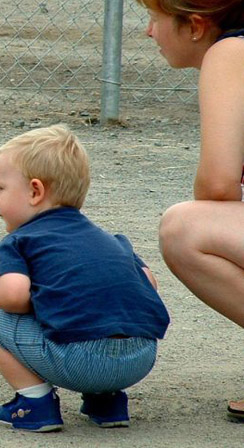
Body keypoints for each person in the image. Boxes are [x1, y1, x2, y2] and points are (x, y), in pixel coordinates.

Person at [0, 124, 170, 432]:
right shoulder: (109, 239)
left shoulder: (20, 241)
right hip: (140, 358)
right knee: (103, 310)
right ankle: (107, 402)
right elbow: (148, 283)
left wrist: (51, 300)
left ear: (35, 191)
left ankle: (34, 403)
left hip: (80, 362)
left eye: (0, 189)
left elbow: (11, 297)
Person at [134, 0, 244, 420]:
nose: (149, 33)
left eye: (155, 20)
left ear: (196, 25)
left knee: (184, 227)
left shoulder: (230, 53)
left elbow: (217, 185)